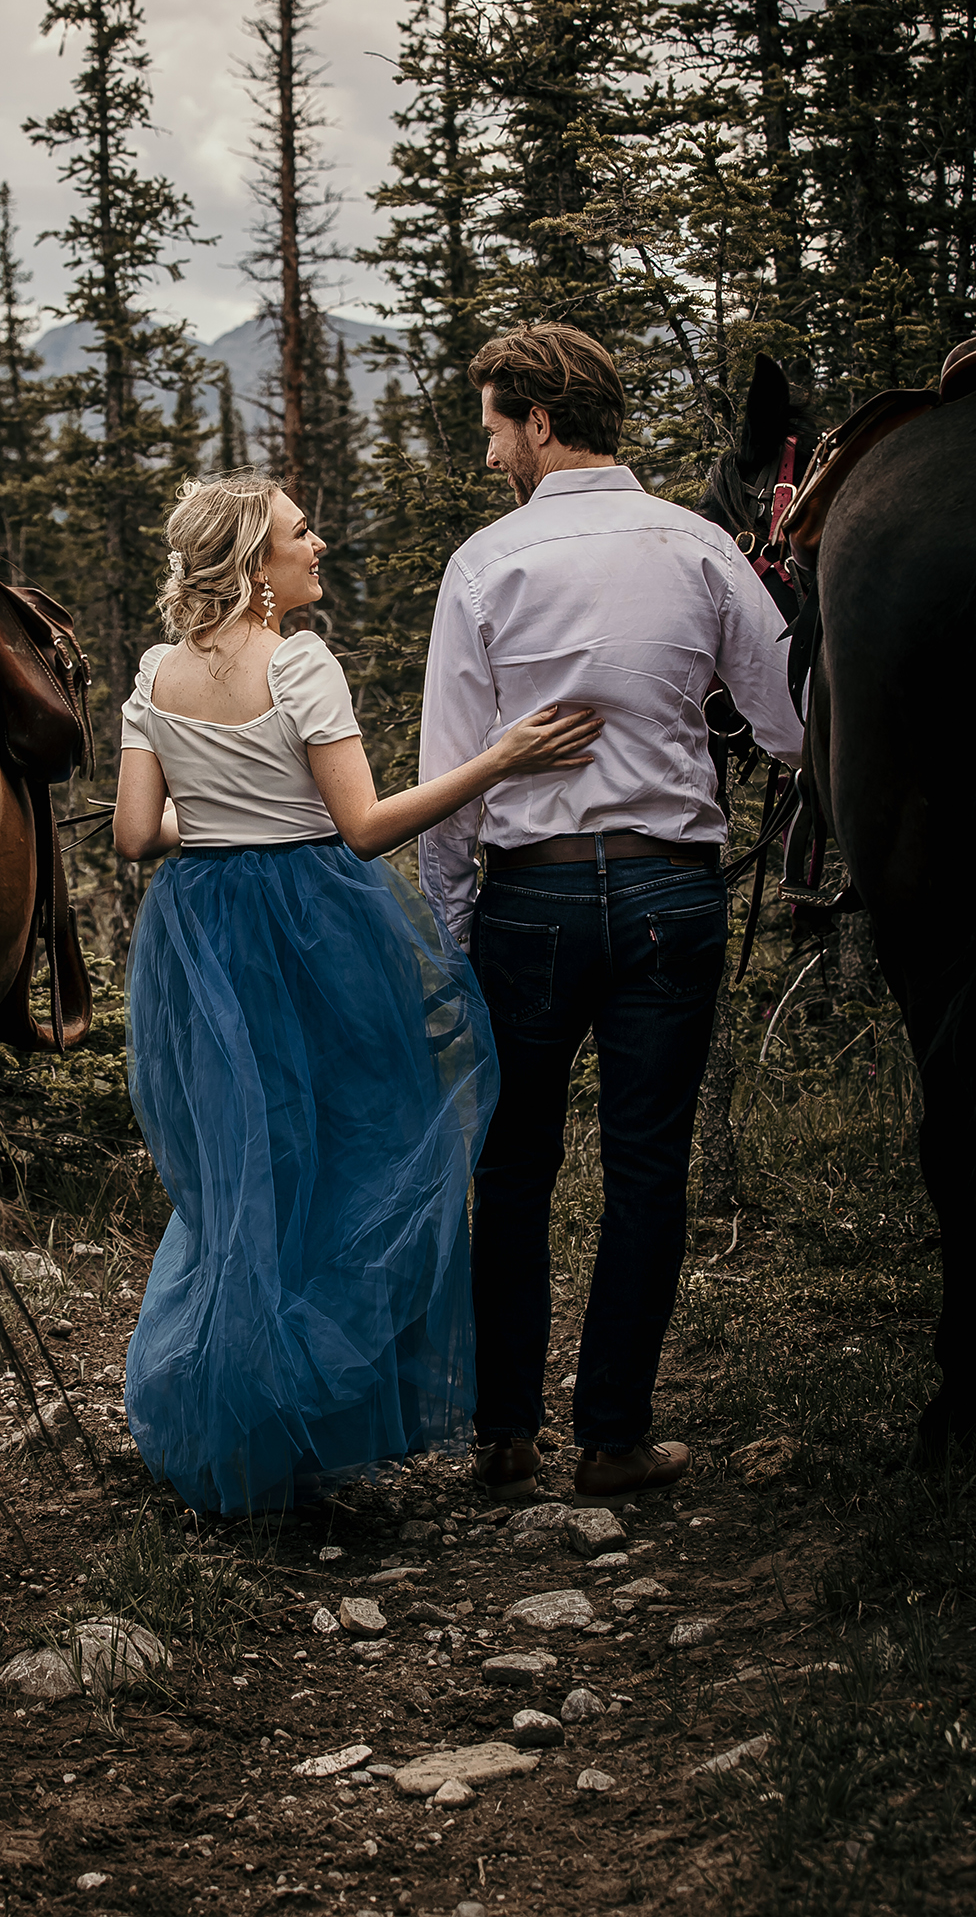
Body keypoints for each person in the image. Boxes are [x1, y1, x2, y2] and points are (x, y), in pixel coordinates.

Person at [113, 469, 602, 1515]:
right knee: (360, 1146)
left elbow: (132, 834)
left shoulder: (155, 671)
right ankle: (305, 1408)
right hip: (311, 923)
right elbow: (367, 826)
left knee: (246, 1169)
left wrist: (213, 818)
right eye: (300, 532)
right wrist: (500, 758)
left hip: (202, 928)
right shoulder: (300, 666)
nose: (317, 543)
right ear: (255, 567)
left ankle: (236, 1409)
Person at [418, 325, 806, 1509]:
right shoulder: (697, 548)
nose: (488, 453)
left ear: (539, 422)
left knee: (514, 1167)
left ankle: (501, 1434)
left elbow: (453, 776)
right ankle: (613, 1437)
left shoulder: (485, 565)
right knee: (646, 1168)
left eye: (492, 426)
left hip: (528, 900)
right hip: (665, 891)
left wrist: (451, 928)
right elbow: (789, 728)